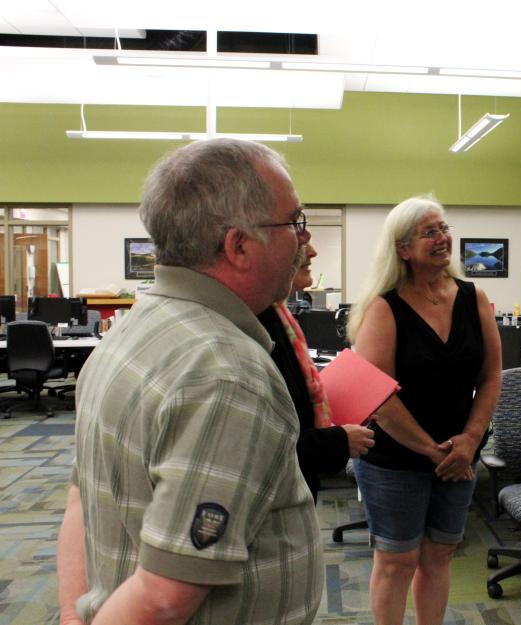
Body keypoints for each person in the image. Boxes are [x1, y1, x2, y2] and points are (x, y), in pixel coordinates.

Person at [56, 139, 323, 625]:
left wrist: (74, 615)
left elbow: (82, 497)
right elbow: (162, 598)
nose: (307, 242)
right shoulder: (226, 374)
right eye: (295, 223)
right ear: (239, 245)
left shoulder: (131, 332)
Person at [346, 196, 501, 625]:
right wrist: (436, 453)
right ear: (402, 248)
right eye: (429, 232)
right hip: (395, 458)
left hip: (460, 454)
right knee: (398, 561)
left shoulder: (474, 297)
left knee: (441, 554)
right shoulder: (385, 307)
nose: (442, 237)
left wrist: (469, 441)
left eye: (444, 228)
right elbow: (380, 398)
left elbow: (491, 377)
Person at [257, 237, 375, 501]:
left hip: (297, 490)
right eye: (298, 242)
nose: (312, 251)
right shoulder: (260, 326)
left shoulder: (279, 318)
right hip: (278, 497)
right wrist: (336, 442)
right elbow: (264, 447)